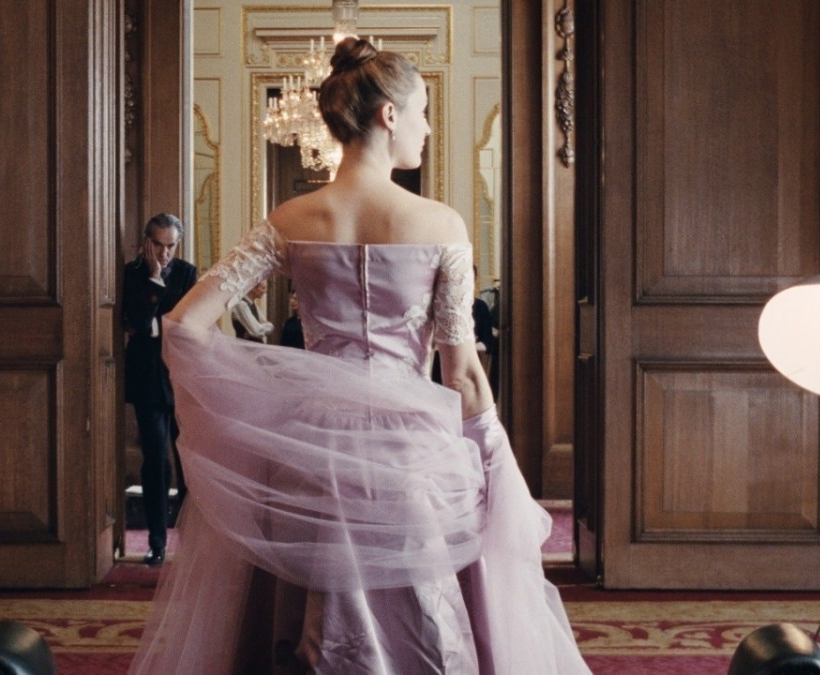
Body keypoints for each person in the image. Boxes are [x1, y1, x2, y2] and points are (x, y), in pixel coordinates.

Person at [130, 39, 590, 673]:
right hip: (411, 455)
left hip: (311, 451)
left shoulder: (290, 219)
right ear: (389, 114)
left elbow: (182, 325)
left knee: (308, 618)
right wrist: (491, 453)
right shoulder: (441, 225)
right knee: (426, 620)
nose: (427, 127)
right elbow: (461, 373)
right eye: (423, 111)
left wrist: (267, 398)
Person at [121, 213, 196, 567]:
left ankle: (192, 544)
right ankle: (157, 542)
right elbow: (134, 321)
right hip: (147, 379)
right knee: (156, 461)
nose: (165, 254)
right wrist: (153, 280)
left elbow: (185, 325)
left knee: (188, 462)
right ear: (146, 242)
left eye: (171, 246)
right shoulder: (131, 273)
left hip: (181, 378)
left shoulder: (187, 273)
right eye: (159, 245)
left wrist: (153, 323)